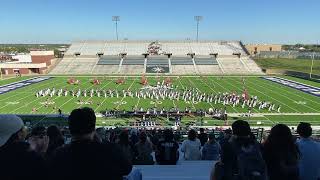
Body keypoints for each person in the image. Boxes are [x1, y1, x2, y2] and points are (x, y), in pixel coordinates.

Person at [49, 107, 132, 180]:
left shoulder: (59, 154)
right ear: (93, 128)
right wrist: (103, 142)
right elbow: (127, 169)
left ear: (70, 129)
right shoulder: (111, 150)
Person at [0, 115, 48, 180]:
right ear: (19, 135)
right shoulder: (28, 157)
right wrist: (41, 152)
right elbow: (43, 173)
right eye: (24, 129)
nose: (25, 131)